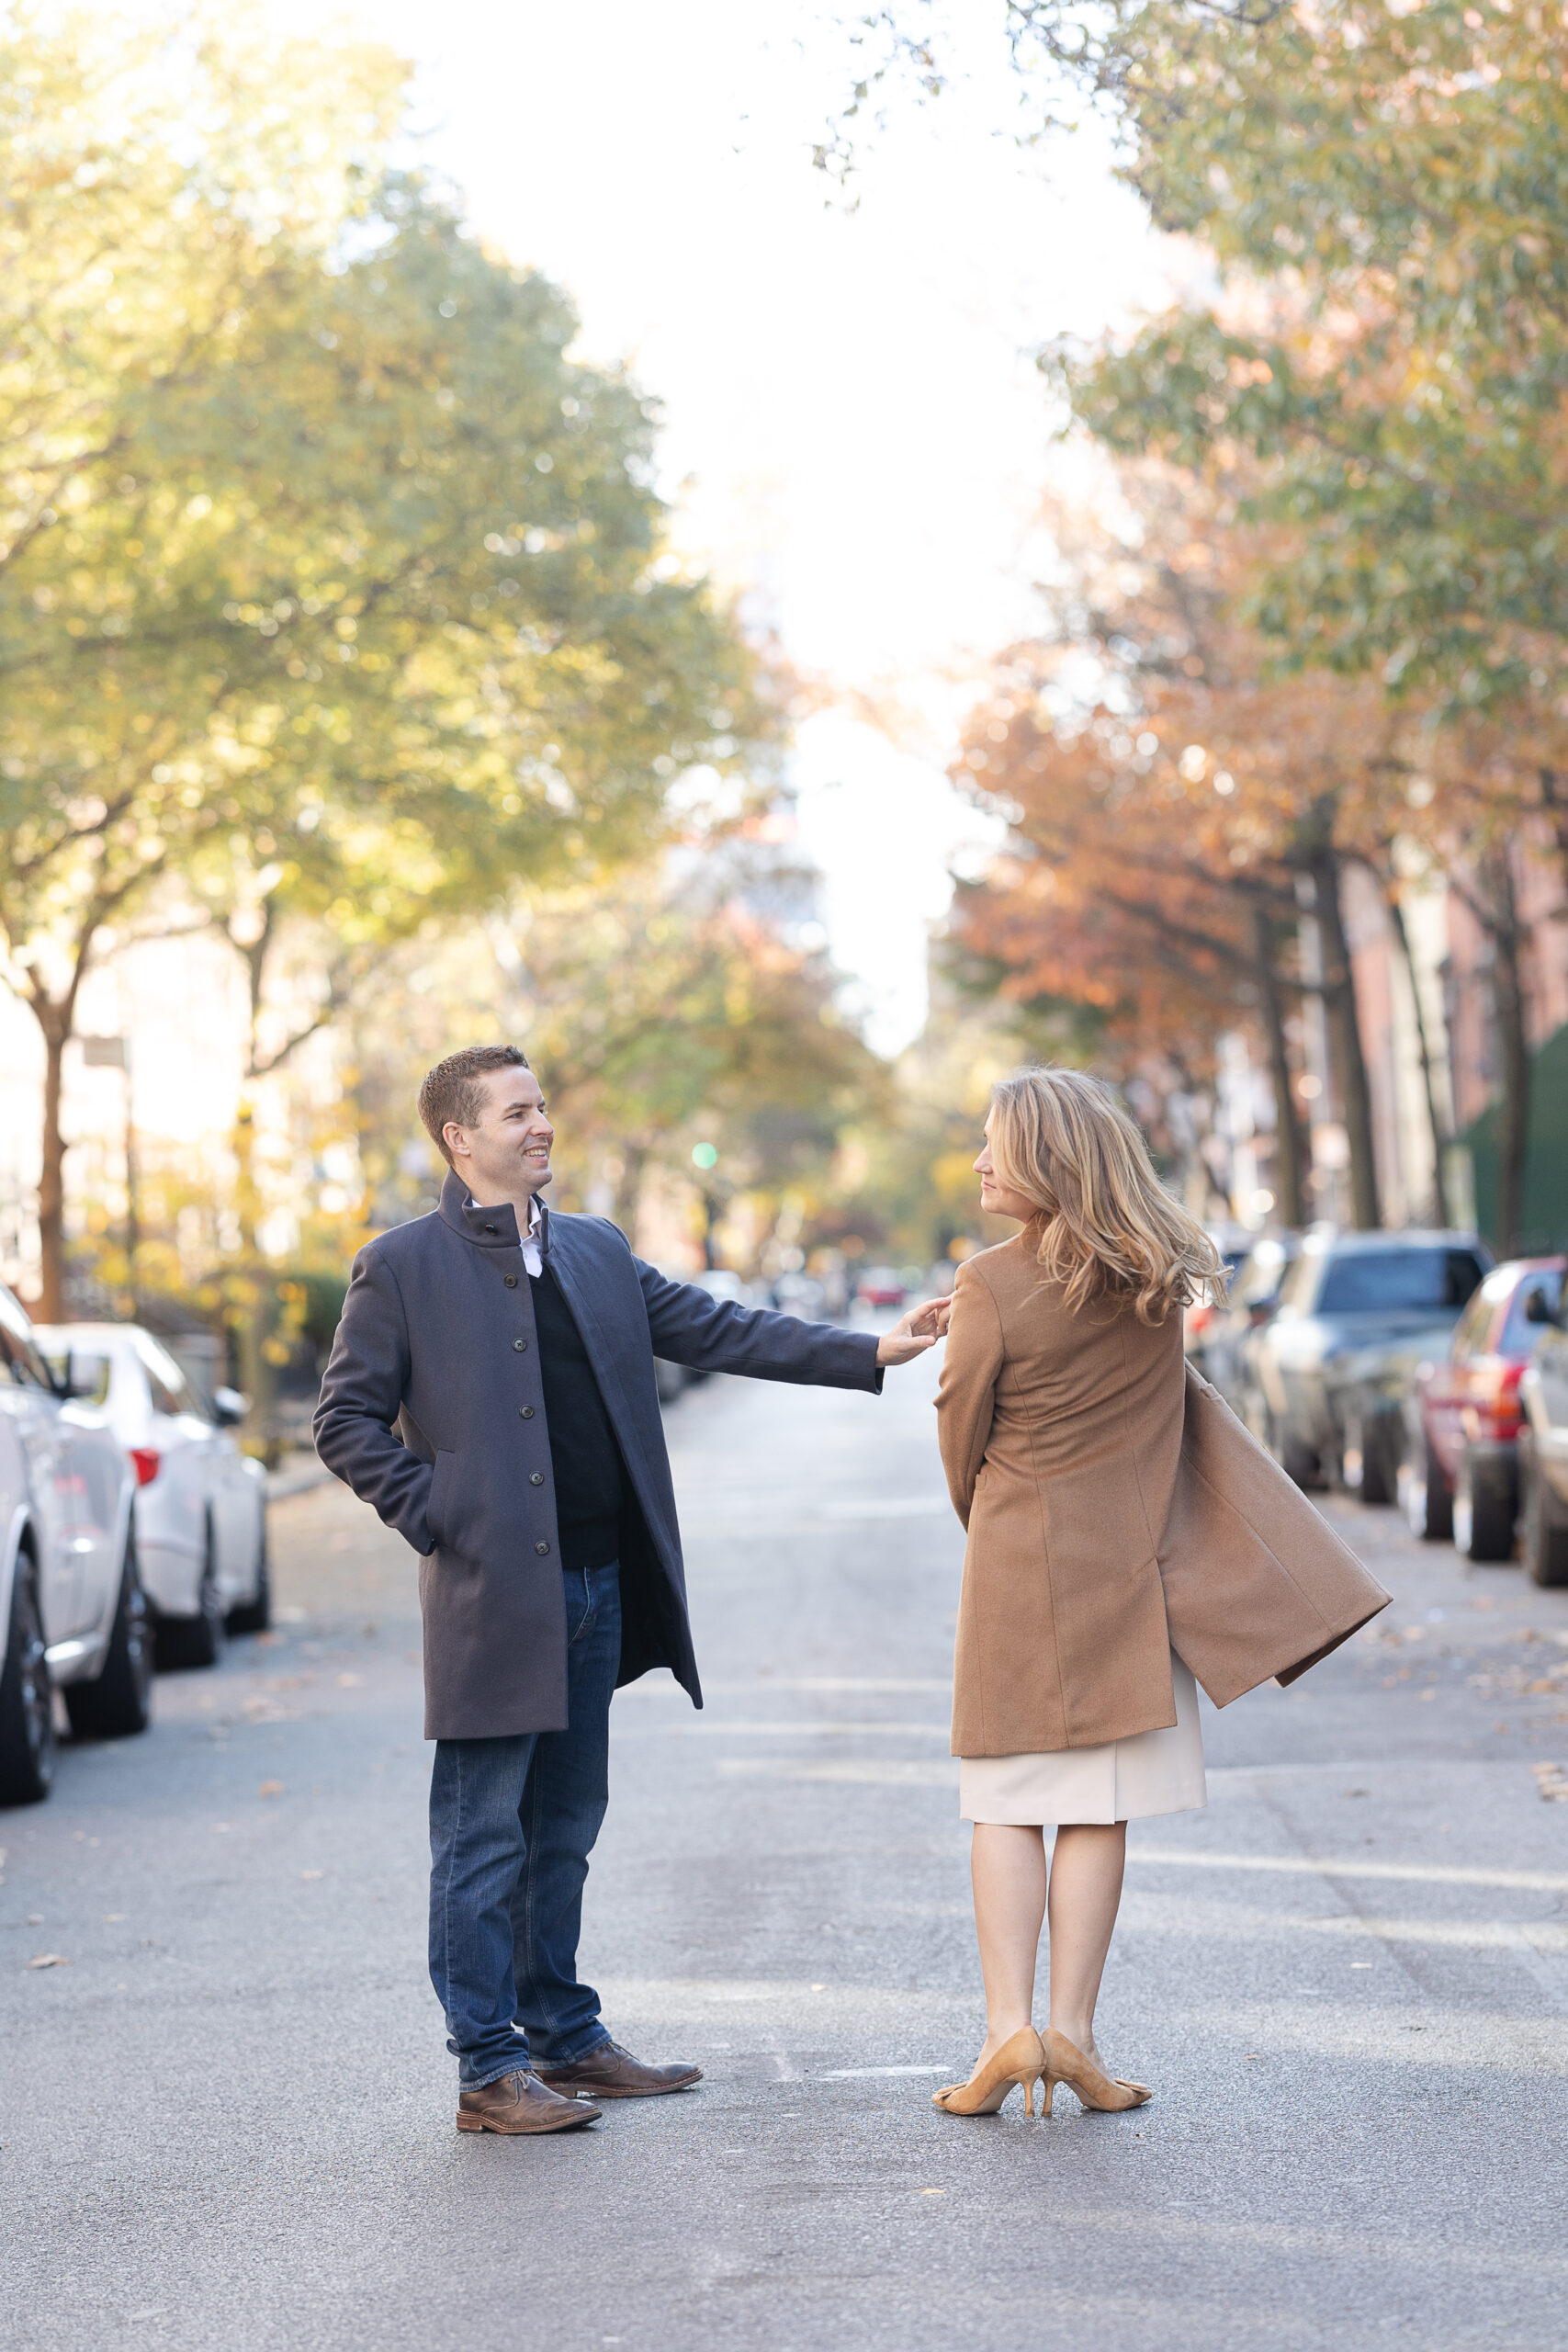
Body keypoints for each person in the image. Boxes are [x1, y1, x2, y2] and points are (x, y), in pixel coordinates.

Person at [313, 1044, 945, 2136]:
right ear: (460, 1138)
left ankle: (562, 2036)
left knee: (565, 1821)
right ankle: (486, 2066)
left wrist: (872, 1350)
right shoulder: (400, 1266)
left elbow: (716, 1327)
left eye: (542, 1105)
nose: (541, 1125)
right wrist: (439, 1516)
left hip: (601, 1583)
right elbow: (343, 1421)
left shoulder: (597, 1248)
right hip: (492, 1597)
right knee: (481, 1838)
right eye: (517, 1113)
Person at [931, 1068, 1388, 2121]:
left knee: (1006, 1806)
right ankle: (1075, 2037)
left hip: (1018, 1570)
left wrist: (996, 1513)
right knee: (1099, 1810)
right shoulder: (1153, 1274)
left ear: (1044, 1158)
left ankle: (1008, 2033)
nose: (980, 1161)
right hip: (1132, 1573)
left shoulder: (990, 1282)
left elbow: (962, 1438)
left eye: (995, 1142)